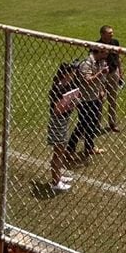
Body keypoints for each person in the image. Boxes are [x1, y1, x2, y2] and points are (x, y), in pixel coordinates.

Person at [48, 57, 89, 190]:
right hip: (58, 121)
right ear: (66, 74)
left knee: (61, 149)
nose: (74, 74)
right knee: (58, 152)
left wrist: (74, 100)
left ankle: (58, 175)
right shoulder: (58, 88)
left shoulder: (68, 84)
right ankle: (55, 182)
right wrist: (71, 103)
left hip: (63, 120)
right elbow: (57, 109)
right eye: (72, 72)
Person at [66, 49, 106, 165]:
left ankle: (89, 147)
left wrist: (101, 90)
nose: (107, 54)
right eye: (105, 52)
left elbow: (100, 81)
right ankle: (70, 149)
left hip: (95, 98)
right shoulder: (86, 63)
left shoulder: (100, 62)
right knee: (82, 124)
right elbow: (88, 81)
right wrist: (101, 73)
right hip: (85, 99)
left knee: (93, 124)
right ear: (98, 52)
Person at [97, 24, 123, 132]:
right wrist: (103, 54)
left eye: (112, 32)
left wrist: (121, 72)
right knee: (100, 99)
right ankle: (96, 124)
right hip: (101, 74)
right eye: (109, 33)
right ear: (103, 35)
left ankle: (112, 123)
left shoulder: (115, 43)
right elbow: (93, 60)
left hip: (113, 72)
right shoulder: (96, 45)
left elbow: (118, 58)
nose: (112, 34)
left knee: (113, 99)